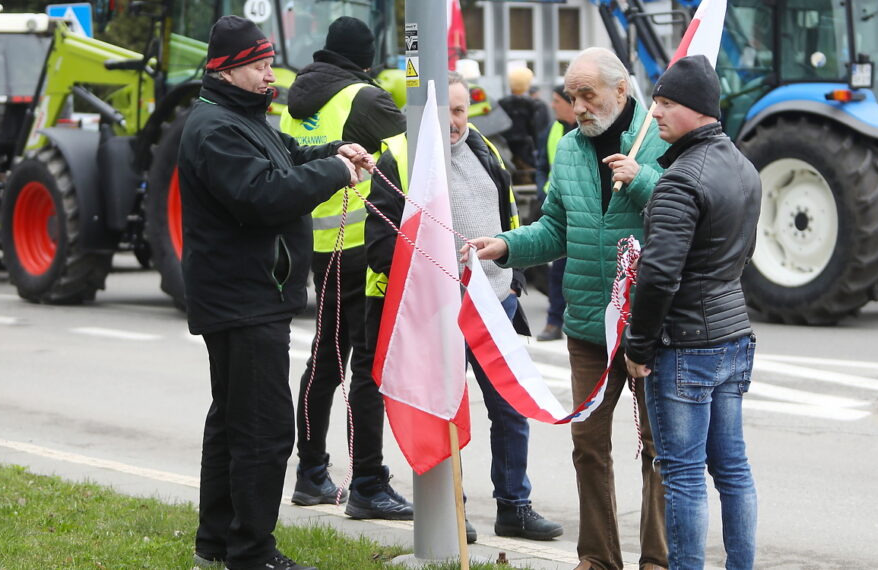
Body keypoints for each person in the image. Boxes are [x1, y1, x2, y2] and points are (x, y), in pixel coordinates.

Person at [176, 16, 374, 570]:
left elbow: (286, 156)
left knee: (231, 424)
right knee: (262, 431)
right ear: (229, 70)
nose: (270, 75)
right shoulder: (215, 128)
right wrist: (337, 171)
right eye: (261, 66)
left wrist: (338, 152)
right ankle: (252, 552)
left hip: (248, 296)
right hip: (244, 301)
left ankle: (217, 544)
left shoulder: (240, 117)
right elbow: (263, 195)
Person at [466, 46, 669, 570]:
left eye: (588, 94)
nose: (577, 106)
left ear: (621, 91)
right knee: (588, 446)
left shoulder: (660, 139)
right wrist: (507, 246)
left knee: (659, 448)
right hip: (586, 325)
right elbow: (556, 229)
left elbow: (686, 213)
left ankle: (658, 560)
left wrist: (643, 178)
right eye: (571, 96)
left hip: (648, 324)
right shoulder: (572, 149)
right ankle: (598, 558)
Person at [365, 72, 564, 544]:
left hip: (494, 306)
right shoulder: (401, 158)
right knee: (445, 415)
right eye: (445, 112)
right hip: (439, 316)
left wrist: (511, 282)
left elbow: (508, 216)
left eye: (460, 110)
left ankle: (514, 505)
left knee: (511, 411)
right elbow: (378, 247)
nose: (455, 122)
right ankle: (450, 512)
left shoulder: (483, 149)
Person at [623, 54, 762, 570]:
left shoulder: (679, 181)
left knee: (681, 477)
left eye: (665, 104)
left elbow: (660, 276)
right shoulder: (745, 168)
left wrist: (638, 348)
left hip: (686, 345)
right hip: (734, 335)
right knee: (733, 469)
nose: (654, 113)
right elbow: (739, 253)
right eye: (655, 102)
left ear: (697, 110)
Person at [278, 16, 413, 520]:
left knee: (326, 359)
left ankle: (311, 472)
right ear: (366, 55)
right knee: (368, 367)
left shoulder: (296, 95)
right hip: (366, 242)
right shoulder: (365, 98)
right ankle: (368, 482)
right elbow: (412, 151)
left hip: (321, 241)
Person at [534, 85, 576, 342]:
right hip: (559, 211)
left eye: (557, 100)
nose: (553, 105)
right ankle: (554, 321)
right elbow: (542, 166)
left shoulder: (589, 130)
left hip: (581, 213)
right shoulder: (553, 130)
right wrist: (542, 192)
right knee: (558, 269)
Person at [498, 67, 549, 185]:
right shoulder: (534, 105)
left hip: (505, 147)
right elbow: (538, 129)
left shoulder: (501, 103)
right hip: (527, 148)